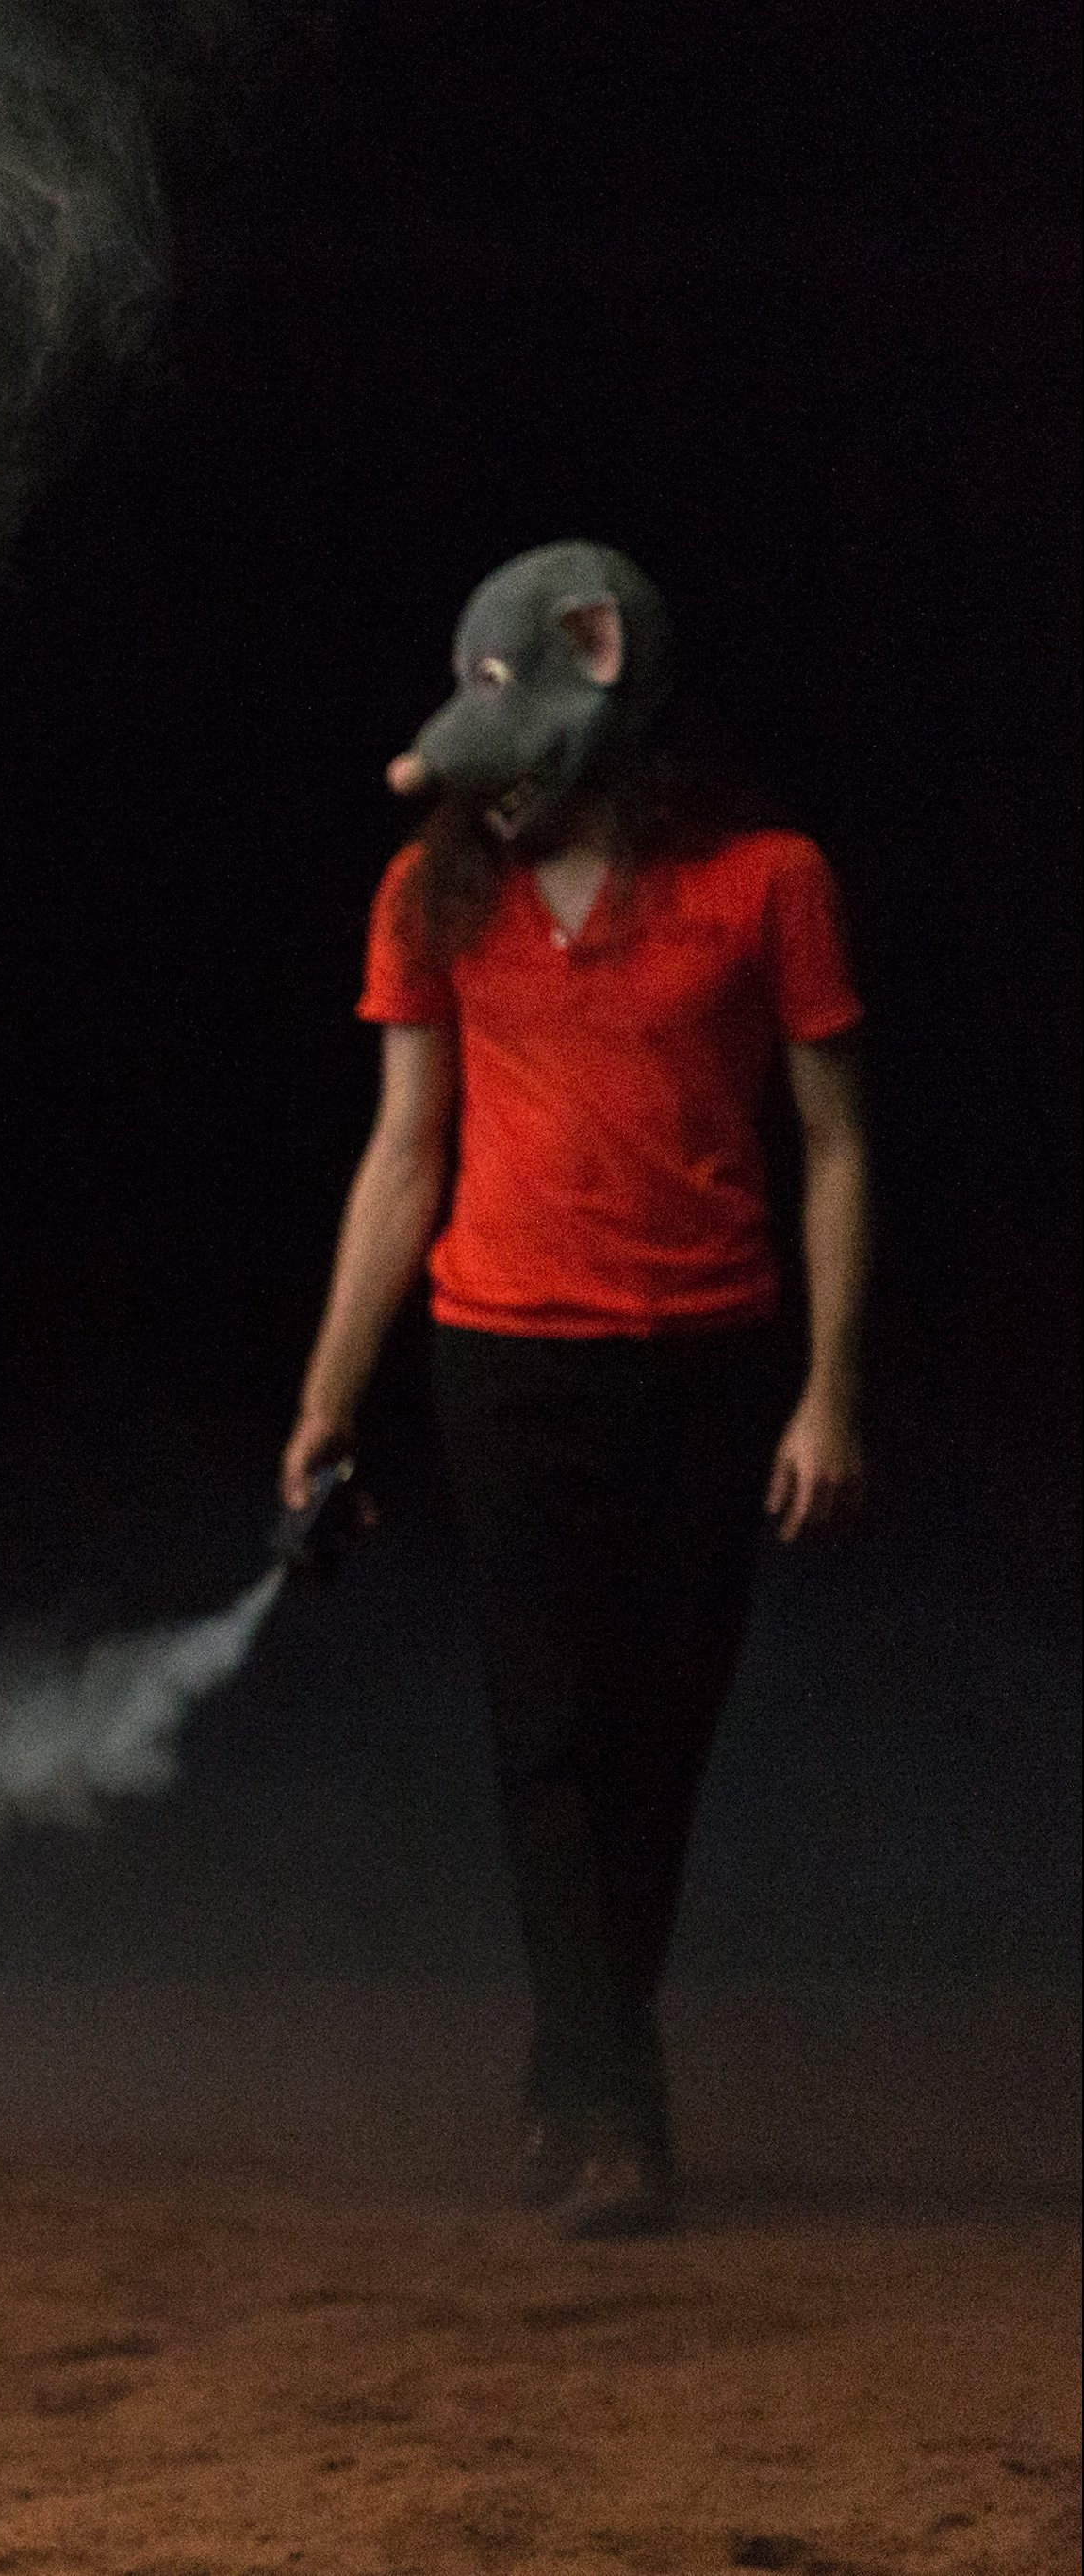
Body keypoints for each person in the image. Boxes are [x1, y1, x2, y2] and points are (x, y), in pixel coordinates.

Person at [280, 541, 869, 2240]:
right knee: (544, 1737)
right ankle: (613, 2108)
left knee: (652, 1744)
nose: (497, 801)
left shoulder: (768, 880)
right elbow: (401, 1155)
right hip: (502, 1360)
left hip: (704, 1360)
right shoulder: (428, 893)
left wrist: (826, 1394)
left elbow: (830, 1148)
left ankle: (576, 2067)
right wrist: (327, 1398)